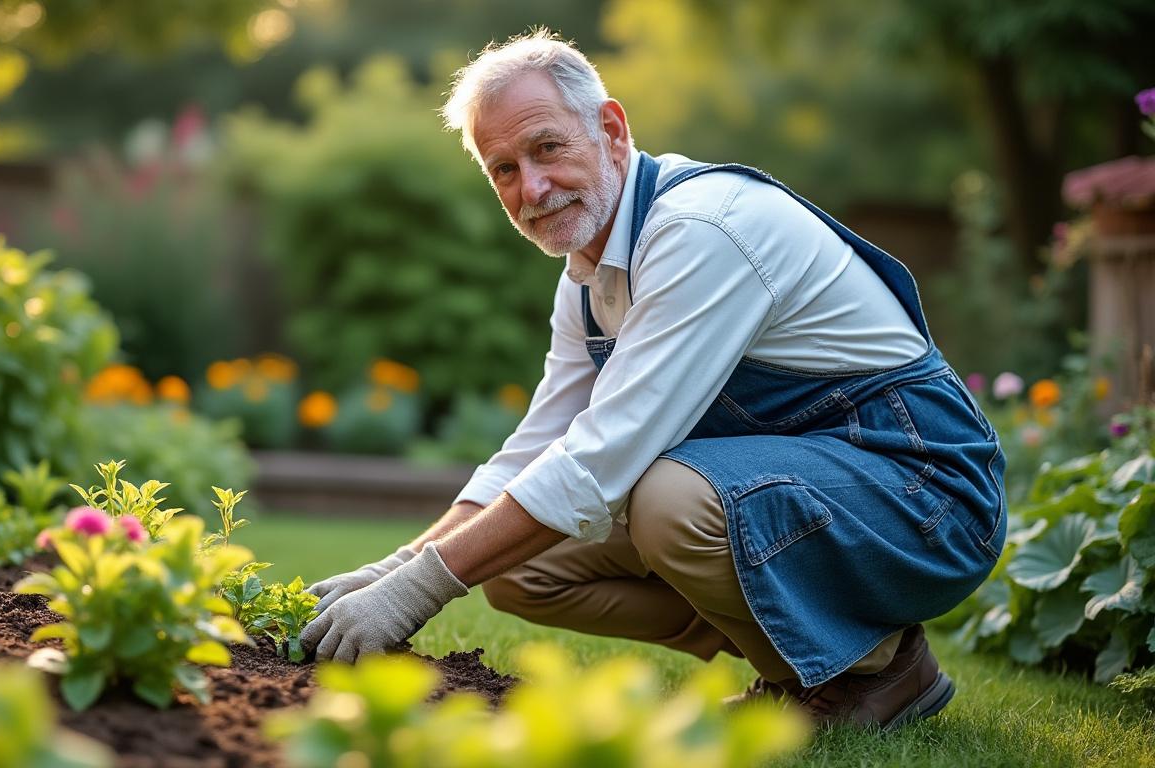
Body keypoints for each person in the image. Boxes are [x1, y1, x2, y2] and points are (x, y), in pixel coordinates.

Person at [299, 29, 1005, 730]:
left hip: (924, 496)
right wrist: (394, 570)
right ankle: (809, 662)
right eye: (504, 169)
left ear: (609, 129)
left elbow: (599, 460)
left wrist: (416, 594)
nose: (532, 188)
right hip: (810, 494)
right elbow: (537, 448)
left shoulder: (703, 230)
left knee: (669, 501)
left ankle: (877, 667)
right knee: (514, 566)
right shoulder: (588, 275)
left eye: (546, 147)